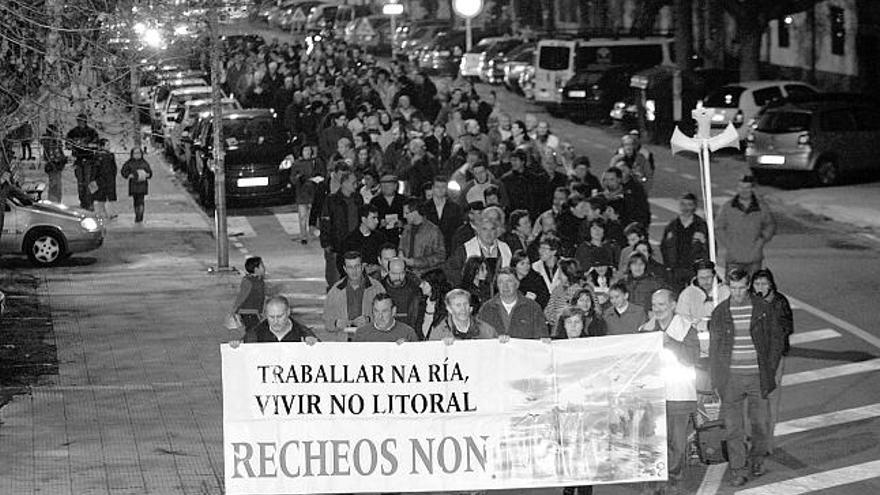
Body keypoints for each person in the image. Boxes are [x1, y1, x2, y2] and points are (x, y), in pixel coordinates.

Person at [709, 268, 785, 487]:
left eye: (741, 287)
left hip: (757, 377)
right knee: (734, 428)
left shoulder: (763, 309)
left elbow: (776, 339)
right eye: (733, 288)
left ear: (748, 285)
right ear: (728, 287)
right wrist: (717, 378)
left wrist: (769, 369)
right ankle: (738, 470)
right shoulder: (721, 312)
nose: (738, 292)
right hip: (731, 379)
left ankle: (757, 458)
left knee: (760, 424)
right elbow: (715, 347)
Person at [639, 289, 699, 490]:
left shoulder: (686, 329)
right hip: (653, 397)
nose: (657, 309)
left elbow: (692, 358)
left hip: (679, 395)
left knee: (676, 444)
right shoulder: (645, 330)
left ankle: (672, 481)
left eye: (662, 304)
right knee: (652, 441)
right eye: (654, 305)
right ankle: (654, 481)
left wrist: (670, 343)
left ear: (673, 305)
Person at [751, 268, 794, 455]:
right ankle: (753, 439)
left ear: (771, 285)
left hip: (775, 356)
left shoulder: (780, 302)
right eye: (757, 284)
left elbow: (787, 328)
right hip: (753, 357)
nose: (760, 287)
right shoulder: (749, 302)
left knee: (772, 399)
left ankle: (768, 441)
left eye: (764, 284)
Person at [716, 175, 776, 276]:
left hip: (754, 258)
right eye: (741, 187)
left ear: (752, 189)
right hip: (733, 258)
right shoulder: (728, 207)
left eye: (747, 187)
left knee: (753, 288)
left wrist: (762, 240)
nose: (743, 190)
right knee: (733, 288)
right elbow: (719, 227)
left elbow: (770, 225)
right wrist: (729, 244)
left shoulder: (761, 207)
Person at [323, 251, 387, 342]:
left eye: (357, 266)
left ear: (362, 267)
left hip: (370, 342)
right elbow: (326, 321)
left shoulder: (377, 288)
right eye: (350, 267)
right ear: (345, 269)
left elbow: (387, 317)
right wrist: (336, 323)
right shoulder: (336, 291)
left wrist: (369, 320)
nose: (354, 271)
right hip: (344, 343)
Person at [676, 260, 731, 355]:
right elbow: (682, 319)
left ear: (714, 276)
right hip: (695, 345)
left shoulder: (726, 292)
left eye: (709, 277)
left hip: (721, 344)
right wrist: (700, 324)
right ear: (696, 277)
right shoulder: (686, 294)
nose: (706, 281)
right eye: (702, 278)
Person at [477, 268, 549, 339]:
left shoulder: (532, 307)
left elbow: (542, 336)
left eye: (509, 281)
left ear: (517, 284)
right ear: (497, 285)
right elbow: (479, 336)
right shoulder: (486, 309)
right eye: (501, 282)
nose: (505, 286)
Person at [320, 169, 363, 286]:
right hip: (337, 245)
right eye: (353, 182)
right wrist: (326, 243)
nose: (356, 185)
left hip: (355, 244)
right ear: (344, 183)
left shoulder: (358, 199)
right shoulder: (332, 200)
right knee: (335, 279)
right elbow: (325, 222)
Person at [660, 192, 709, 292]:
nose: (686, 208)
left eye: (689, 205)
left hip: (695, 269)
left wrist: (704, 242)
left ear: (695, 206)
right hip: (676, 269)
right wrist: (668, 267)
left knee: (697, 295)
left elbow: (711, 248)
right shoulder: (672, 226)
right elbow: (664, 247)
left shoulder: (701, 226)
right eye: (683, 204)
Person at [446, 216, 512, 287]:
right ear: (477, 231)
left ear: (497, 231)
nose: (488, 233)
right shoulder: (465, 249)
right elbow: (451, 271)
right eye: (484, 229)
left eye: (492, 229)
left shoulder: (505, 248)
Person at [239, 296, 318, 344]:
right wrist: (235, 349)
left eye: (279, 316)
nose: (275, 321)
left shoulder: (304, 334)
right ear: (266, 314)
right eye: (271, 317)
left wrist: (314, 345)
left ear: (288, 312)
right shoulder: (254, 336)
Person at [398, 198, 446, 275]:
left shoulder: (434, 231)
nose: (404, 216)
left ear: (415, 212)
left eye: (407, 213)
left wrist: (414, 262)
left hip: (426, 274)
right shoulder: (406, 229)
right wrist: (400, 253)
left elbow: (440, 257)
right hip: (407, 273)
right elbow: (401, 247)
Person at [429, 288, 498, 341]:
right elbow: (433, 356)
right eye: (458, 305)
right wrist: (442, 347)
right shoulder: (439, 334)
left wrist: (502, 342)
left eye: (465, 304)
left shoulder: (487, 330)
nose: (463, 309)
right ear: (449, 309)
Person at [382, 257, 425, 338]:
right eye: (394, 274)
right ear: (388, 272)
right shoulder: (379, 289)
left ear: (406, 272)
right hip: (385, 335)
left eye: (401, 273)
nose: (398, 278)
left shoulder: (415, 289)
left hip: (410, 334)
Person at [353, 293, 419, 343]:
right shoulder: (361, 334)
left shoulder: (407, 333)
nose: (380, 316)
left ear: (393, 311)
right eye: (376, 311)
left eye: (384, 311)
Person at [66, 113, 99, 210]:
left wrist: (86, 144)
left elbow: (97, 145)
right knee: (80, 183)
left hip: (89, 160)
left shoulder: (91, 132)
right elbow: (67, 144)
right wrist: (74, 145)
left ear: (85, 121)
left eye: (82, 121)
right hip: (78, 160)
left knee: (88, 182)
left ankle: (90, 202)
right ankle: (83, 202)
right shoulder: (73, 132)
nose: (80, 123)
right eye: (79, 121)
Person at [423, 175, 464, 254]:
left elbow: (459, 230)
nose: (440, 190)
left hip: (450, 248)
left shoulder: (455, 208)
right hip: (429, 249)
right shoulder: (424, 207)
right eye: (437, 187)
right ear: (432, 188)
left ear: (446, 189)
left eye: (443, 187)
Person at [342, 204, 387, 274]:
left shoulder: (381, 238)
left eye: (377, 218)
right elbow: (341, 263)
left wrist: (378, 267)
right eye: (373, 218)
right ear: (363, 219)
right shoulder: (349, 240)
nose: (377, 221)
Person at [544, 258, 584, 330]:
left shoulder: (581, 290)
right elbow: (548, 310)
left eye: (560, 273)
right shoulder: (557, 289)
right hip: (556, 330)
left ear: (568, 274)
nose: (558, 276)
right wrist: (554, 318)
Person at [230, 256, 267, 331]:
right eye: (262, 266)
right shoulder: (248, 282)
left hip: (254, 312)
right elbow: (241, 297)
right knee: (253, 332)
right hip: (248, 312)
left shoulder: (259, 280)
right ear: (256, 269)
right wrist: (234, 311)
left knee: (254, 330)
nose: (264, 267)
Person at [371, 173, 406, 246]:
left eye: (388, 186)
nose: (386, 188)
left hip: (399, 237)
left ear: (395, 186)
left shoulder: (403, 200)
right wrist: (379, 223)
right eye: (383, 186)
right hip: (381, 236)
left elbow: (408, 217)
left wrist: (402, 223)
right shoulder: (375, 201)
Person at [119, 148, 153, 224]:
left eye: (139, 153)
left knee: (141, 201)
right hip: (133, 186)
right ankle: (138, 216)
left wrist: (147, 175)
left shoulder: (144, 163)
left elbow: (150, 173)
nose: (137, 155)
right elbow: (123, 172)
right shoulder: (129, 163)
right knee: (136, 201)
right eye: (135, 153)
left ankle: (139, 217)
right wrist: (129, 175)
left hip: (142, 185)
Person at [40, 124, 67, 204]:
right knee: (54, 185)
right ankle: (53, 201)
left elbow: (60, 152)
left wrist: (63, 159)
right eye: (55, 131)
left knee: (58, 185)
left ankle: (57, 201)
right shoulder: (48, 141)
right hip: (52, 165)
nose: (56, 133)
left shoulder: (56, 141)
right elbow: (49, 154)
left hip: (58, 166)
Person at [93, 138, 118, 220]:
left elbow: (114, 168)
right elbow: (95, 169)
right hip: (101, 180)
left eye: (109, 145)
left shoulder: (111, 156)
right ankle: (101, 213)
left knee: (111, 197)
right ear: (102, 146)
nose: (109, 146)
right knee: (100, 197)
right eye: (107, 145)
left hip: (110, 179)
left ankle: (112, 213)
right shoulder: (97, 156)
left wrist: (113, 176)